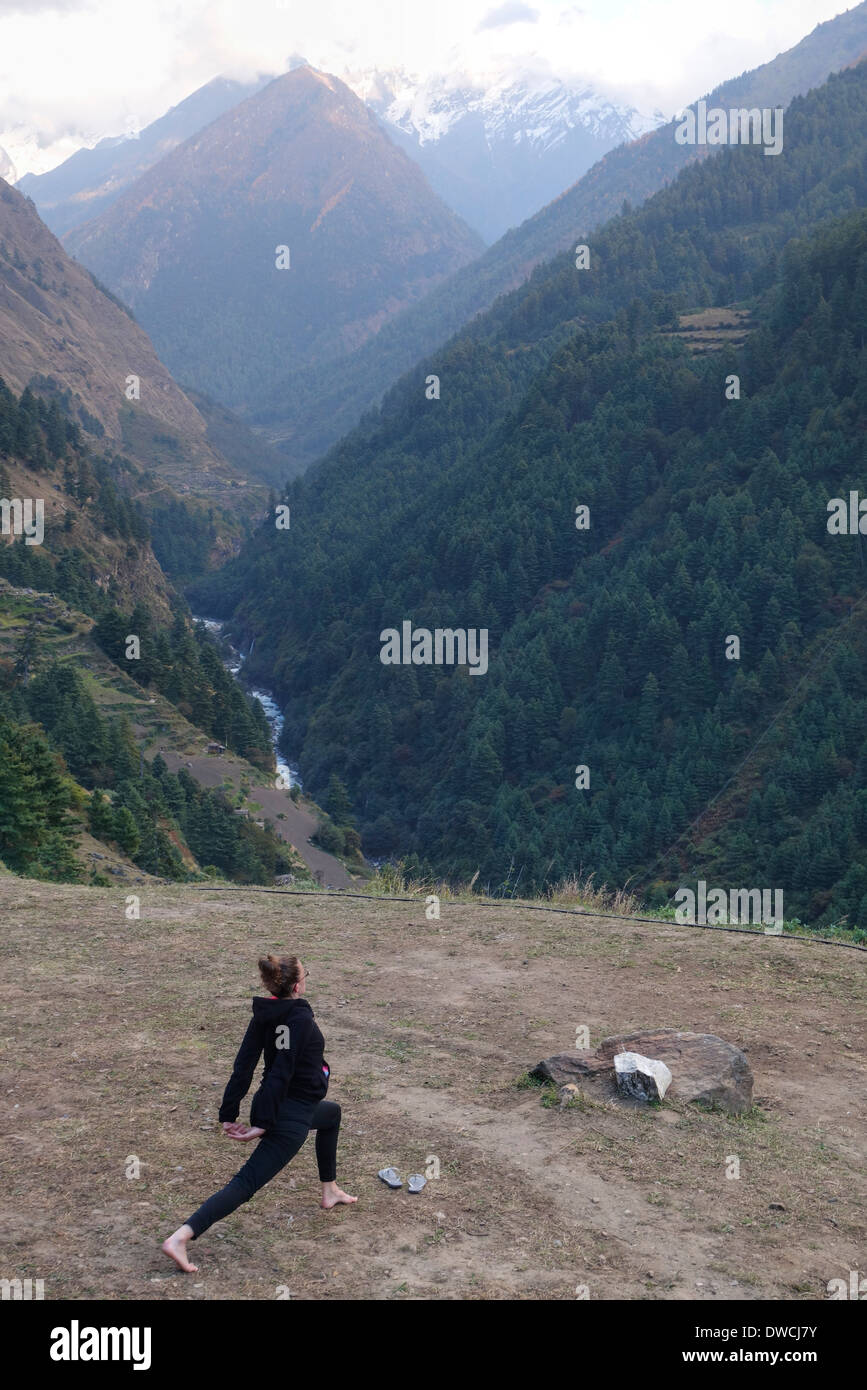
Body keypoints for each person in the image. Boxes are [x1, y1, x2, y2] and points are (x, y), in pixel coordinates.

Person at [163, 953, 356, 1272]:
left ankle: (330, 1190)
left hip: (294, 1108)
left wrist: (229, 1113)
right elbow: (281, 1071)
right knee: (246, 1182)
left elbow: (244, 1066)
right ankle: (180, 1237)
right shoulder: (300, 1020)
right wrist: (262, 1124)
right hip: (289, 1116)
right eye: (306, 973)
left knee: (331, 1115)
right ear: (297, 985)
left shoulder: (265, 1015)